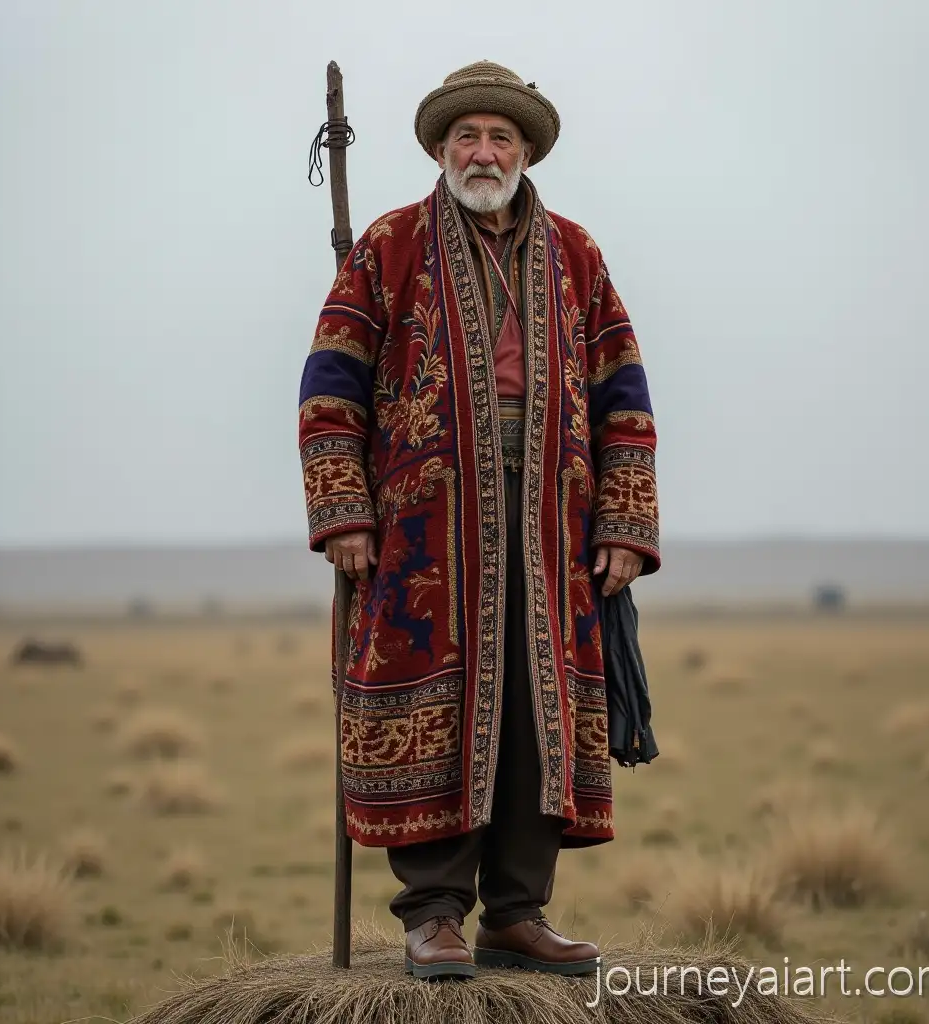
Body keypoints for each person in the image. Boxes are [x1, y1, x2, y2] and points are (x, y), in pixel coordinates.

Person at [297, 60, 660, 980]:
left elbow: (622, 391)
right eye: (467, 137)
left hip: (552, 525)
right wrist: (343, 509)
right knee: (436, 704)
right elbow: (332, 383)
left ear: (526, 152)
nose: (484, 152)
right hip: (422, 525)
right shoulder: (388, 245)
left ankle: (517, 914)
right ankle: (433, 915)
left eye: (501, 137)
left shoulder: (576, 254)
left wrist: (624, 521)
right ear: (440, 151)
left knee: (536, 710)